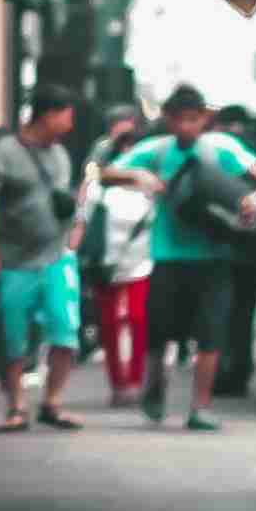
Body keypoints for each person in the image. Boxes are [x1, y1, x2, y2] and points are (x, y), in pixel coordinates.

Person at [113, 87, 256, 431]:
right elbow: (105, 172)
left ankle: (200, 407)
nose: (187, 126)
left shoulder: (222, 148)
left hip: (214, 257)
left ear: (204, 119)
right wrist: (137, 176)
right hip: (168, 257)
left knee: (211, 335)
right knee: (158, 334)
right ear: (168, 120)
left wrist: (254, 201)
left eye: (194, 119)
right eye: (180, 119)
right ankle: (154, 391)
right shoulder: (155, 151)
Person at [0, 88, 89, 432]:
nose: (69, 125)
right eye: (66, 116)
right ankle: (16, 407)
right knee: (14, 337)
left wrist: (74, 232)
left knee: (66, 333)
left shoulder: (60, 156)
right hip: (14, 261)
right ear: (47, 115)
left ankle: (53, 403)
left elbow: (64, 198)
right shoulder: (5, 152)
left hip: (56, 258)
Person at [82, 109, 158, 408]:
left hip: (142, 261)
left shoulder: (150, 181)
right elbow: (84, 212)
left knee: (139, 320)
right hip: (107, 261)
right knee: (110, 324)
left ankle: (136, 381)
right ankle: (118, 383)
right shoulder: (99, 179)